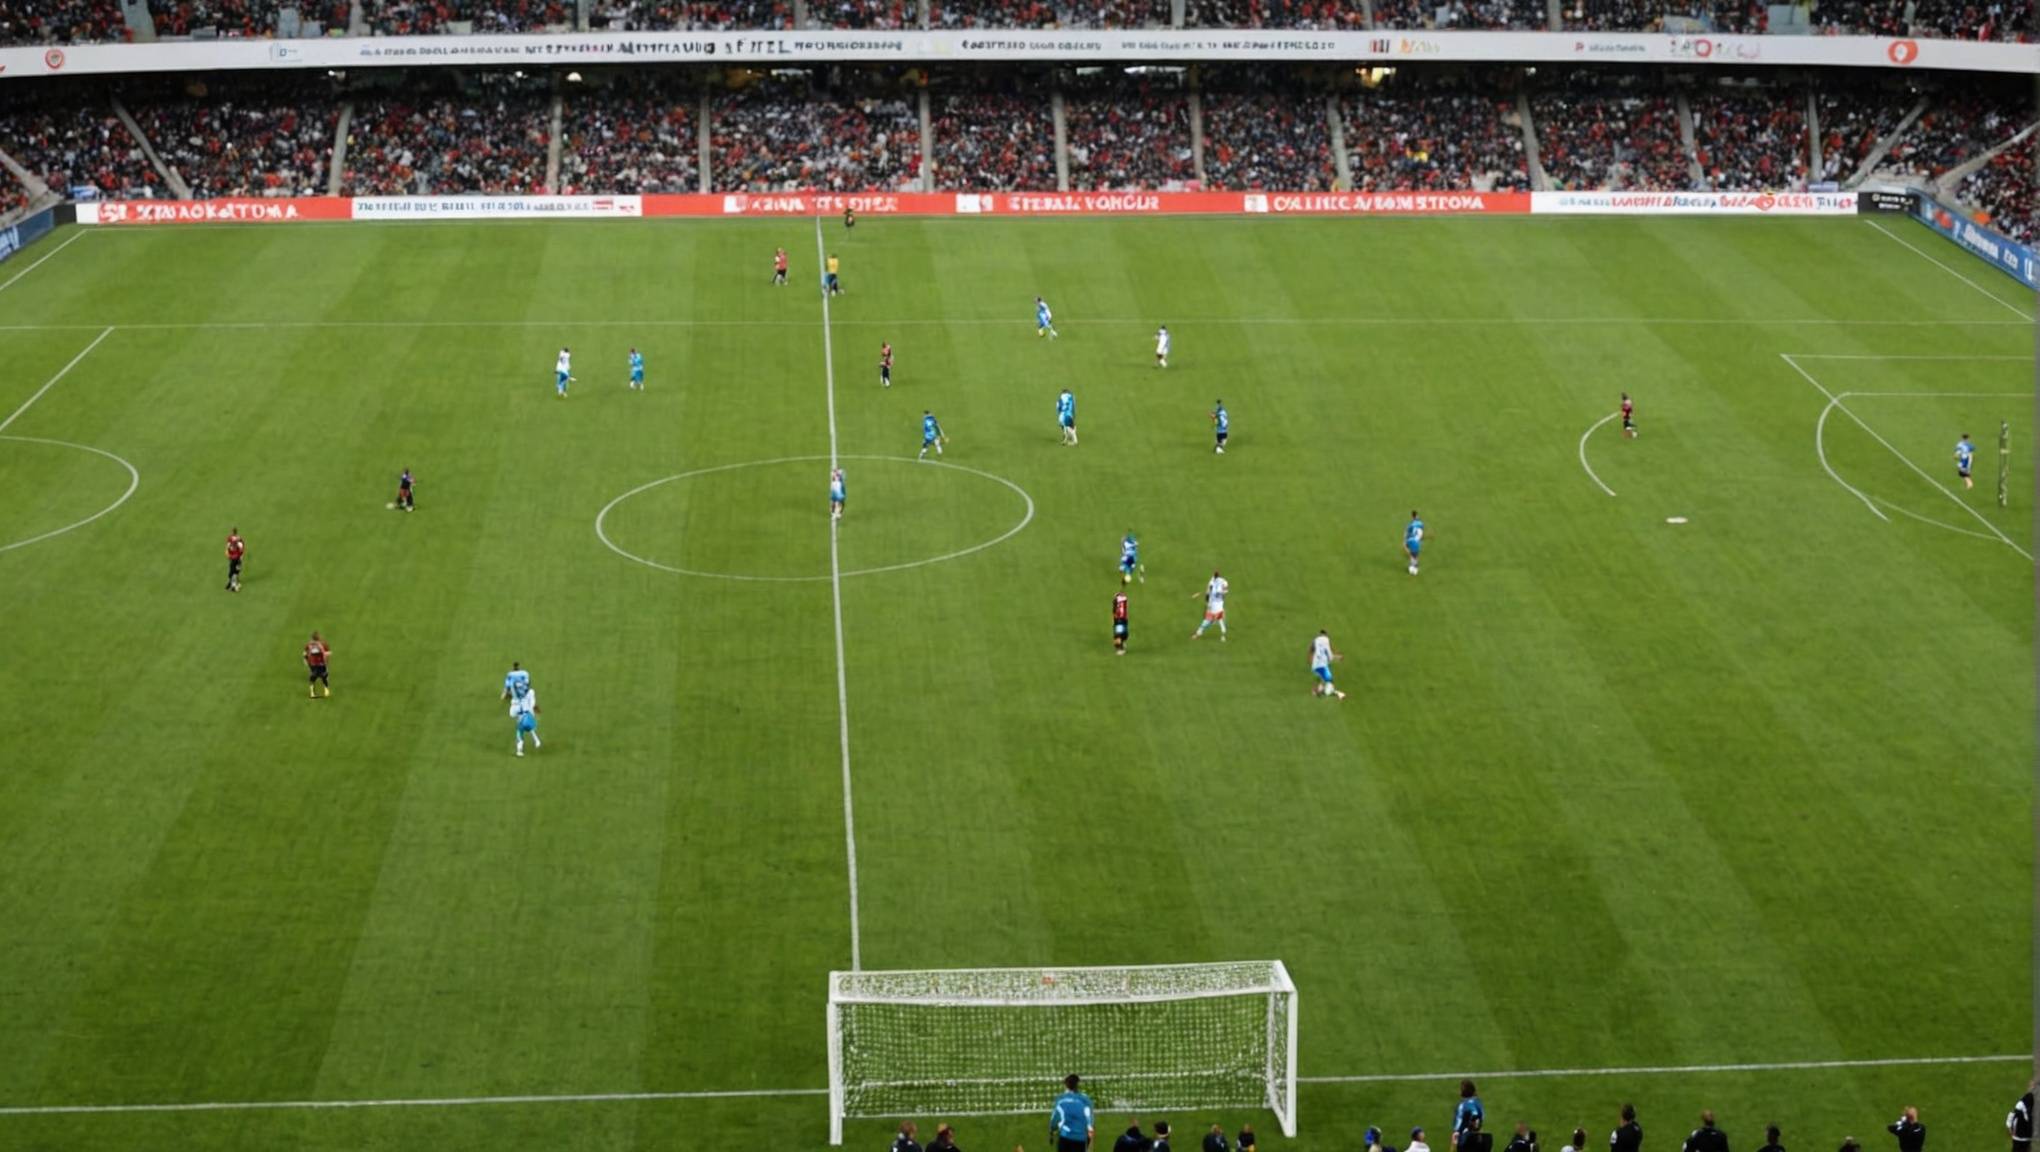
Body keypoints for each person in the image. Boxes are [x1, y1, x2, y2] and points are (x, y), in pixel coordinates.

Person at [1050, 1074, 1093, 1152]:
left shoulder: (1061, 1100)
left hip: (1065, 1138)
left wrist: (1052, 1131)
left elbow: (1054, 1120)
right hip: (1080, 1139)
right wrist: (1089, 1137)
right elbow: (1090, 1120)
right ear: (1077, 1085)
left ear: (1066, 1085)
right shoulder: (1085, 1100)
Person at [1192, 570, 1228, 641]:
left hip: (1213, 607)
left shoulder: (1212, 582)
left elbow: (1208, 593)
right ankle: (1223, 635)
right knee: (1220, 620)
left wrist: (1207, 602)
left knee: (1207, 621)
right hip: (1219, 606)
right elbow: (1225, 592)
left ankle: (1198, 634)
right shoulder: (1224, 581)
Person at [1310, 629, 1346, 699]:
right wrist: (1338, 657)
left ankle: (1318, 690)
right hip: (1321, 666)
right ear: (1326, 635)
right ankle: (1317, 691)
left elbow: (1312, 650)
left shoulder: (1316, 640)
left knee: (1324, 678)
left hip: (1315, 665)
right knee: (1329, 681)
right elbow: (1330, 656)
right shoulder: (1326, 640)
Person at [508, 681, 540, 756]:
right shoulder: (518, 699)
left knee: (525, 728)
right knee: (522, 730)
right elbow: (512, 713)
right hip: (521, 716)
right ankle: (535, 741)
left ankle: (535, 741)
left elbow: (532, 704)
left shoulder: (529, 693)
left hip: (525, 715)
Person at [1454, 1080, 1485, 1146]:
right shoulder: (1478, 1104)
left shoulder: (1462, 1106)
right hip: (1479, 1138)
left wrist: (1456, 1132)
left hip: (1465, 1139)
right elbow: (1481, 1117)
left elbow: (1458, 1124)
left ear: (1462, 1092)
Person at [303, 631, 331, 699]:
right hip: (321, 664)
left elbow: (305, 654)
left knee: (313, 677)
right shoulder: (323, 644)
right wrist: (327, 662)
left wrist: (306, 661)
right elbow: (327, 653)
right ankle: (326, 691)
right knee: (324, 676)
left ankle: (312, 693)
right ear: (319, 638)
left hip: (313, 664)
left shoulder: (309, 644)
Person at [2010, 1080, 2034, 1152]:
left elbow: (2013, 1118)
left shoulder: (2020, 1109)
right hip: (2024, 1139)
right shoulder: (2028, 1113)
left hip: (2019, 1138)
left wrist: (2011, 1129)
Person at [224, 527, 245, 592]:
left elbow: (228, 547)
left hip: (234, 558)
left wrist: (227, 553)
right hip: (236, 558)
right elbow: (241, 549)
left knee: (233, 571)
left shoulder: (231, 539)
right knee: (235, 571)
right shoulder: (238, 539)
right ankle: (232, 585)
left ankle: (232, 585)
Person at [1405, 511, 1425, 576]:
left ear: (1412, 516)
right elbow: (1421, 534)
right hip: (1416, 541)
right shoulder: (1421, 524)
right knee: (1415, 554)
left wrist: (1406, 539)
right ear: (1417, 516)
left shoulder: (1410, 524)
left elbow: (1407, 533)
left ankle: (1412, 565)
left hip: (1410, 540)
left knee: (1410, 552)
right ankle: (1415, 567)